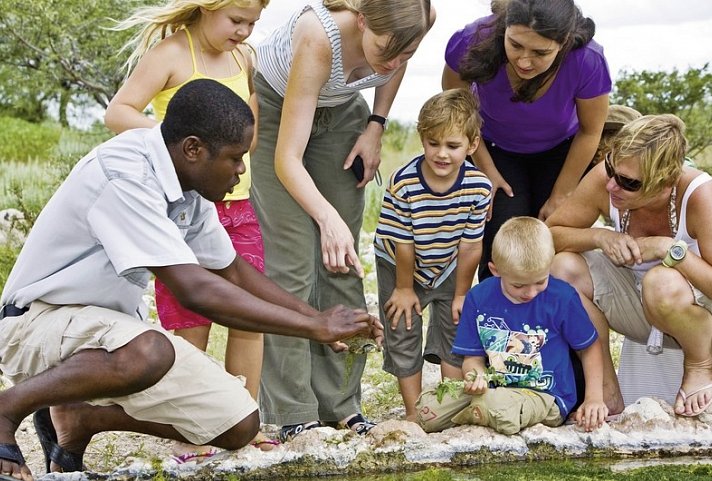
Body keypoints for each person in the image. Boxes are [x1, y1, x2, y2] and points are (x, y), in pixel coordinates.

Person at [0, 79, 381, 481]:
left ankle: (82, 420)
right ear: (193, 149)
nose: (241, 170)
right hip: (35, 323)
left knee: (238, 424)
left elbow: (231, 270)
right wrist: (313, 326)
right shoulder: (124, 174)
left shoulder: (190, 187)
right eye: (235, 158)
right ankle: (8, 409)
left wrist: (318, 318)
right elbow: (194, 289)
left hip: (102, 336)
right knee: (152, 351)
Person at [249, 0, 436, 441]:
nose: (390, 63)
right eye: (385, 49)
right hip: (278, 112)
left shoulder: (418, 18)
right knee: (292, 262)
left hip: (343, 112)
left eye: (404, 55)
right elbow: (286, 160)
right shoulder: (320, 35)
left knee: (341, 261)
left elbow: (395, 65)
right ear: (363, 21)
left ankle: (341, 403)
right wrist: (326, 217)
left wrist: (376, 125)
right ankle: (292, 410)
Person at [104, 0, 275, 454]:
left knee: (249, 316)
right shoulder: (170, 55)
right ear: (206, 7)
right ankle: (196, 428)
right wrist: (173, 147)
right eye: (236, 21)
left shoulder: (245, 57)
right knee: (192, 321)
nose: (244, 31)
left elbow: (251, 125)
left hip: (238, 206)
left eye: (253, 23)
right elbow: (118, 112)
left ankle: (245, 419)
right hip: (185, 209)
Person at [546, 114, 712, 417]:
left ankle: (700, 365)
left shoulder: (700, 195)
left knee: (661, 281)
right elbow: (549, 237)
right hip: (641, 311)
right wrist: (599, 236)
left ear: (666, 181)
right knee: (562, 268)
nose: (611, 184)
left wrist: (671, 250)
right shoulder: (607, 180)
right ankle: (607, 390)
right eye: (611, 168)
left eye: (628, 183)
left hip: (696, 317)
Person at [442, 0, 611, 281]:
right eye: (515, 45)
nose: (524, 61)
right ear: (504, 29)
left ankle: (548, 319)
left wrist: (562, 194)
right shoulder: (473, 39)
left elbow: (590, 130)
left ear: (563, 43)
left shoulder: (587, 59)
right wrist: (485, 167)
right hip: (493, 148)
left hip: (562, 151)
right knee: (502, 240)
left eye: (540, 52)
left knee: (549, 242)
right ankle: (496, 319)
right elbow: (455, 102)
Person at [415, 216, 608, 435]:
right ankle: (478, 411)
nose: (530, 292)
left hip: (545, 396)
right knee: (428, 411)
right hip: (494, 390)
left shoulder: (562, 297)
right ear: (495, 270)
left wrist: (593, 398)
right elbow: (472, 360)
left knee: (498, 408)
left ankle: (479, 413)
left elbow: (589, 347)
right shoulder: (478, 298)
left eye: (540, 281)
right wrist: (475, 376)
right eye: (518, 285)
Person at [373, 88, 491, 422]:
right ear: (422, 138)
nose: (441, 154)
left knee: (455, 325)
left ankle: (449, 407)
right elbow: (403, 243)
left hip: (450, 261)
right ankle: (415, 413)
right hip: (398, 260)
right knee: (402, 324)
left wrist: (461, 294)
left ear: (472, 145)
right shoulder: (403, 184)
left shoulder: (479, 187)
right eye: (433, 143)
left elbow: (470, 246)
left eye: (453, 146)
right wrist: (405, 287)